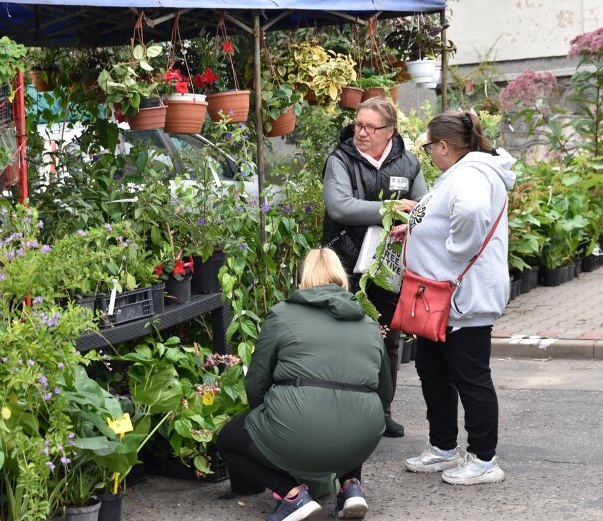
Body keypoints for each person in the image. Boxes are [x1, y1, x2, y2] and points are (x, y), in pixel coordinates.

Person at [217, 248, 392, 521]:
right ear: (342, 279)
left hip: (298, 427)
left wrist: (270, 417)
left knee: (228, 439)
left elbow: (257, 381)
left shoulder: (282, 315)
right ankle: (350, 486)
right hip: (362, 437)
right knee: (352, 401)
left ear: (303, 281)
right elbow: (385, 392)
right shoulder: (369, 324)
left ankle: (292, 495)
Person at [389, 110, 515, 485]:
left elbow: (471, 212)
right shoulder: (461, 173)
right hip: (439, 300)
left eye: (428, 146)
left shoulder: (473, 174)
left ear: (444, 146)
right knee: (434, 373)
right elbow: (444, 213)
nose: (428, 153)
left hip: (462, 299)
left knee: (470, 378)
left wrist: (454, 249)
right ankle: (443, 447)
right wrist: (415, 227)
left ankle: (484, 460)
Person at [322, 96, 427, 438]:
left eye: (369, 126)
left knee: (387, 340)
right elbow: (340, 207)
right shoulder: (340, 160)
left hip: (389, 265)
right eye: (358, 124)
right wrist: (392, 207)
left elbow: (423, 207)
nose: (361, 132)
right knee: (346, 338)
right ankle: (346, 412)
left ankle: (382, 410)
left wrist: (411, 215)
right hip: (345, 263)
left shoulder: (409, 164)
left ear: (390, 131)